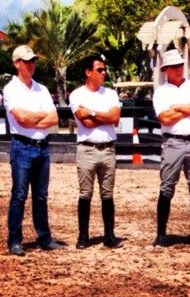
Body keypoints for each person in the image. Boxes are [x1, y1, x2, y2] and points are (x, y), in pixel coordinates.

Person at [3, 45, 64, 256]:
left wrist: (31, 120)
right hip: (22, 146)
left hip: (41, 147)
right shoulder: (10, 89)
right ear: (16, 63)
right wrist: (39, 117)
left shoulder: (42, 88)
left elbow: (54, 118)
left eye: (33, 61)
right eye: (27, 61)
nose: (31, 65)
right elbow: (22, 119)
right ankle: (14, 240)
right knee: (19, 194)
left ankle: (44, 237)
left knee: (41, 195)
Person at [152, 49, 190, 248]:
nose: (178, 69)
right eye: (174, 66)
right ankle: (161, 233)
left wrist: (178, 107)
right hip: (172, 142)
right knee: (167, 186)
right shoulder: (160, 91)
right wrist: (189, 107)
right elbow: (164, 118)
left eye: (180, 65)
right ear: (165, 69)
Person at [69, 55, 123, 249]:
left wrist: (92, 112)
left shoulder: (110, 94)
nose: (103, 73)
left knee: (107, 194)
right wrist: (105, 116)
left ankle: (109, 235)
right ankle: (83, 236)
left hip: (108, 148)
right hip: (87, 149)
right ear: (88, 72)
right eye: (99, 70)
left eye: (104, 69)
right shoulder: (76, 95)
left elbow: (115, 117)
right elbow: (86, 123)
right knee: (86, 194)